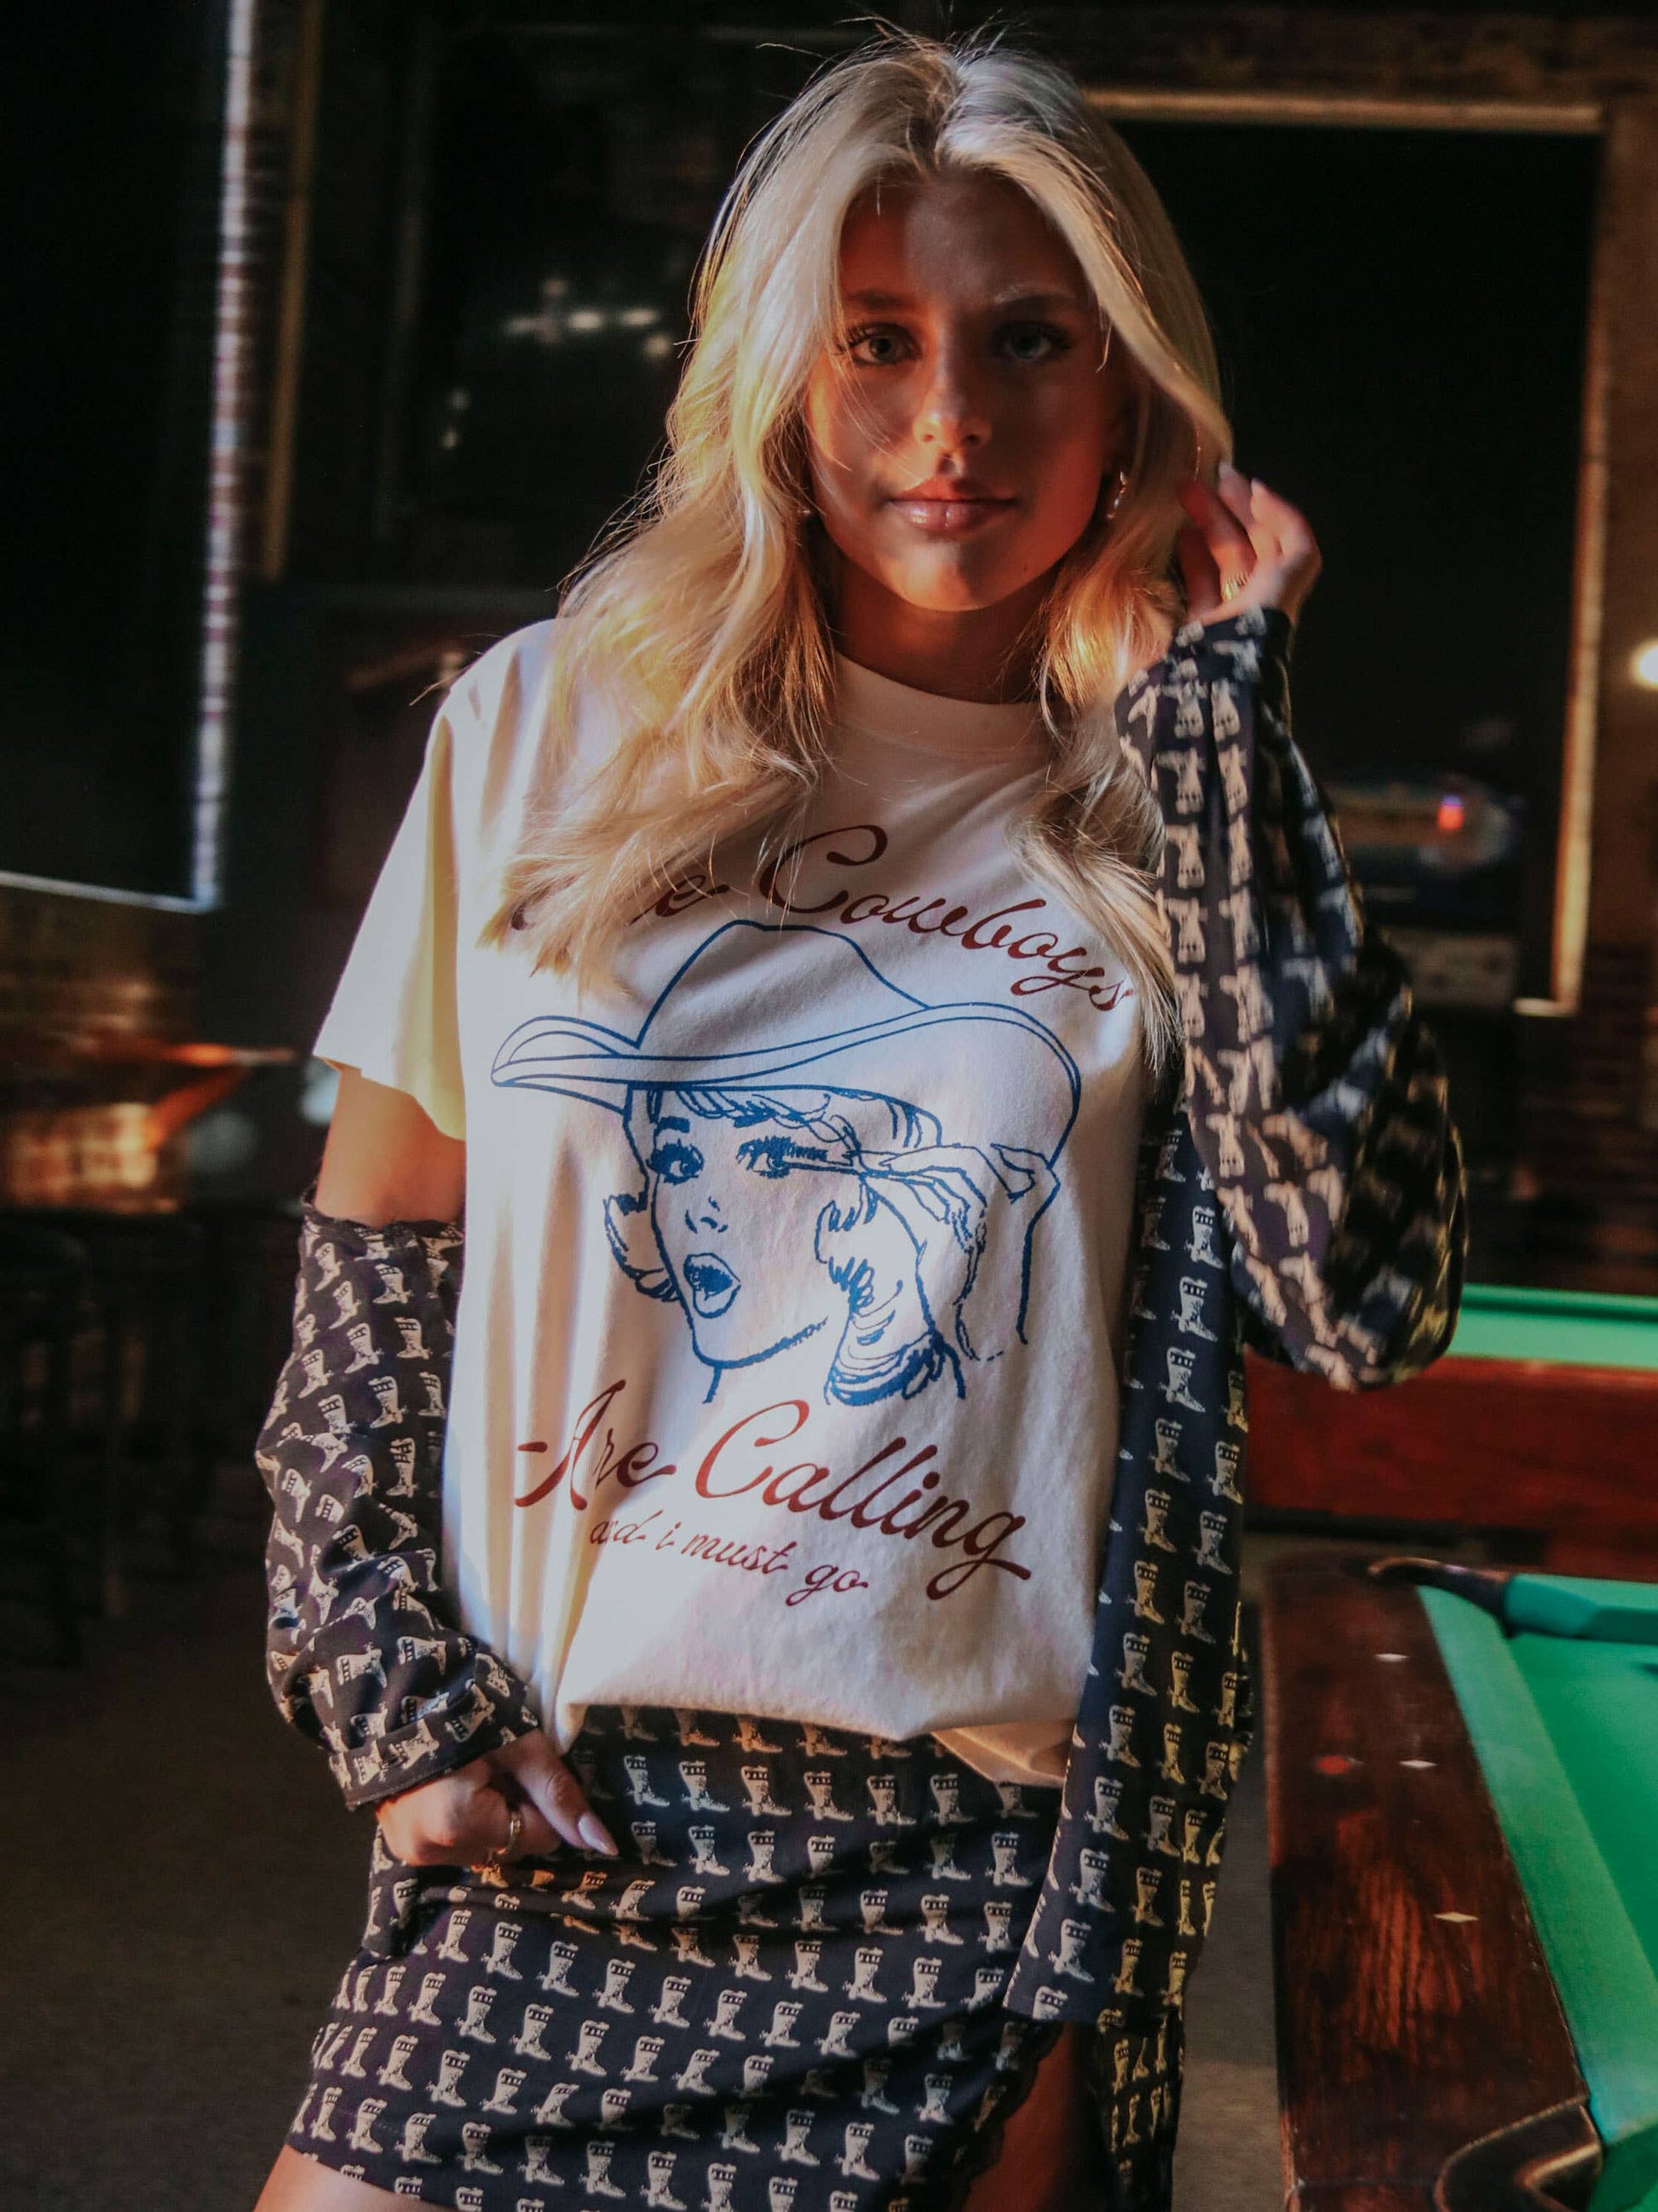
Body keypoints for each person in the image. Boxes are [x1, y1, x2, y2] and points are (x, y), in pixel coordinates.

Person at [252, 29, 1464, 2212]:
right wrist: (382, 1677)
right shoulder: (543, 726)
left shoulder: (1168, 810)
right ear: (779, 381)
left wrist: (1219, 738)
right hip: (569, 1799)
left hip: (967, 1849)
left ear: (1132, 393)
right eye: (875, 342)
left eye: (1027, 342)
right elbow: (373, 1261)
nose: (951, 425)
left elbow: (1360, 1303)